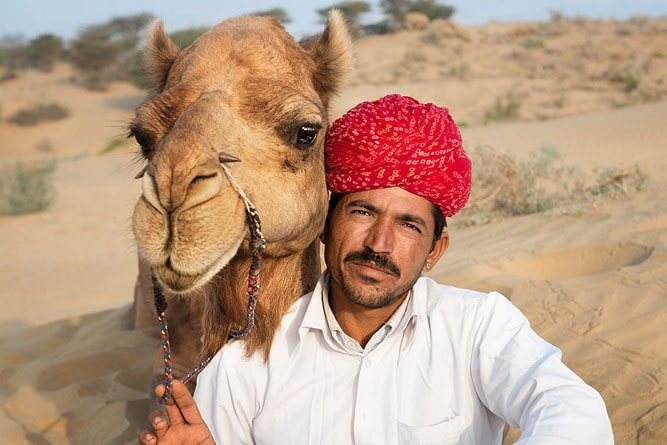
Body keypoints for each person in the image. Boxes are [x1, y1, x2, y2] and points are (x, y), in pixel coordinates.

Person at [139, 94, 613, 444]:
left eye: (408, 224)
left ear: (435, 251)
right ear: (326, 225)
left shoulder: (478, 327)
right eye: (363, 212)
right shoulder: (248, 360)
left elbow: (571, 408)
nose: (379, 244)